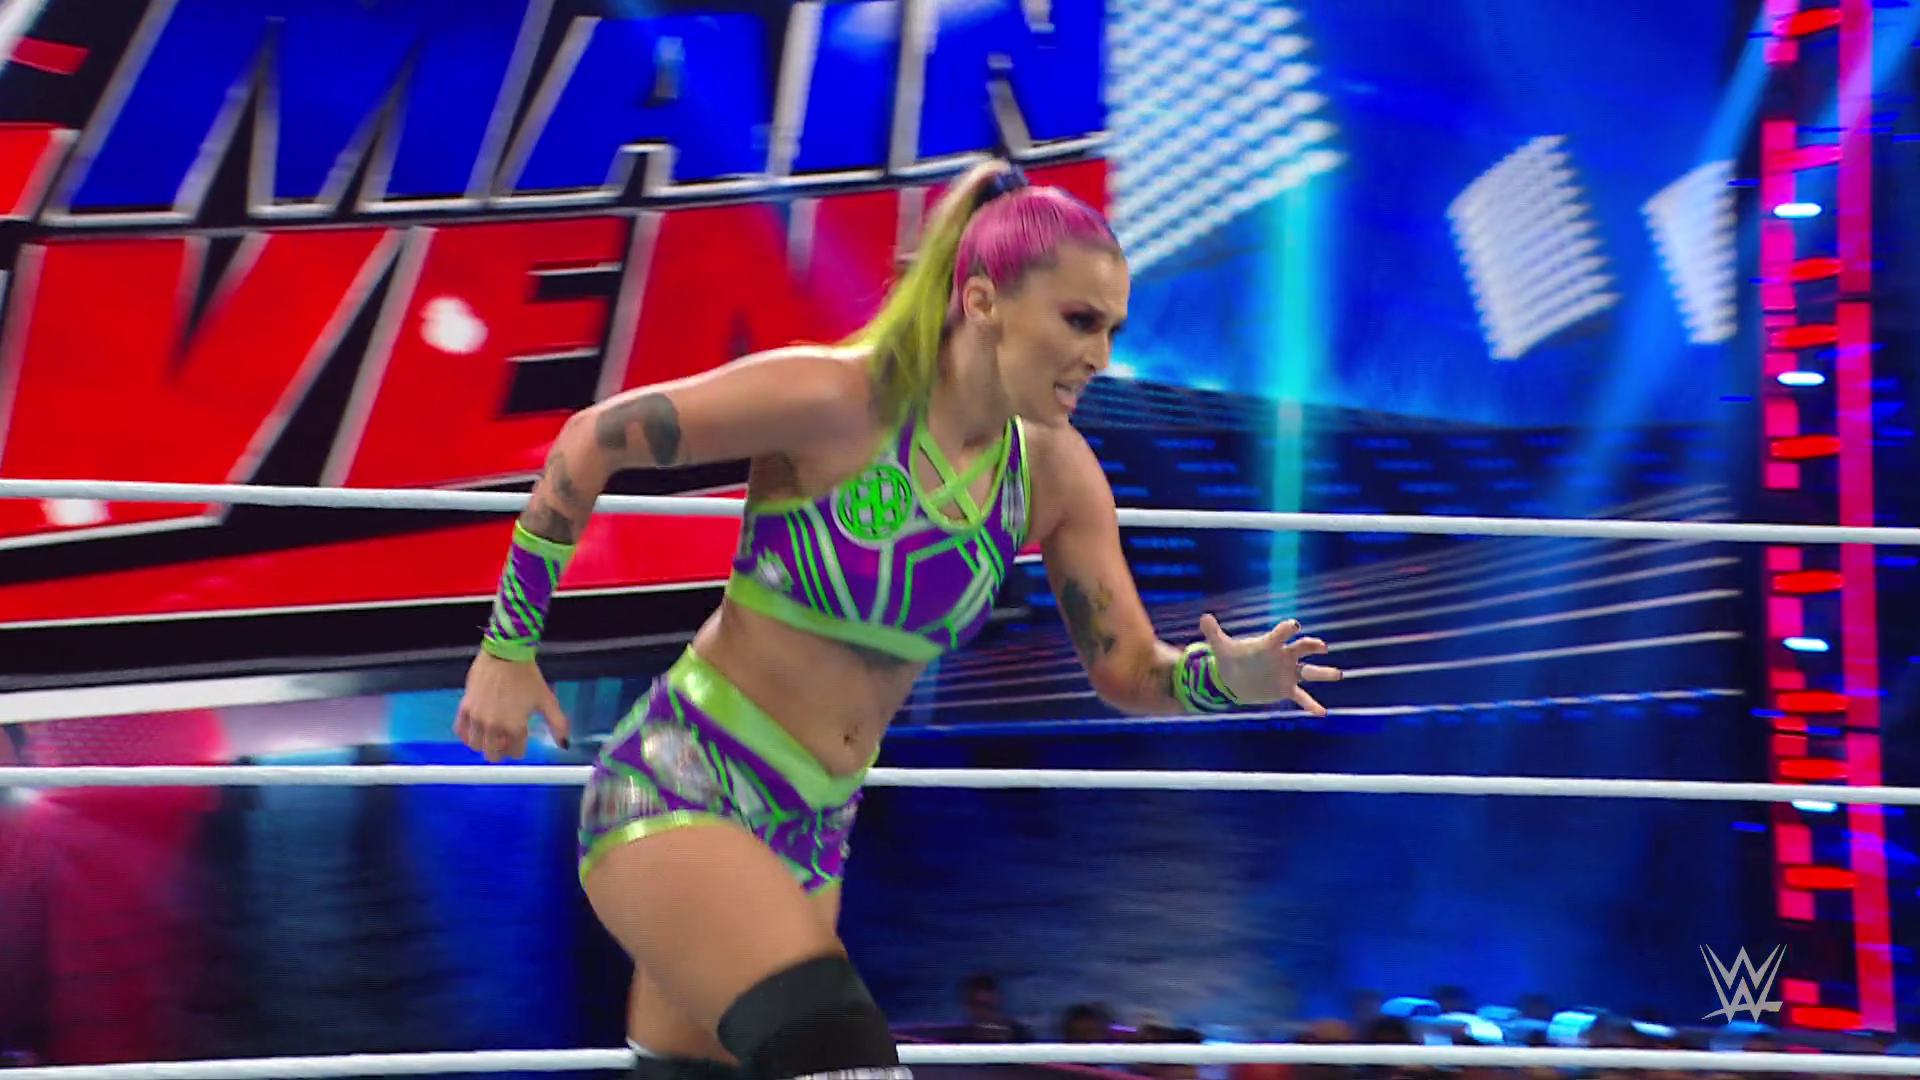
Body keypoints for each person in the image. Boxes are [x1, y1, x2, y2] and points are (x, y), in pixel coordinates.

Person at [453, 159, 1342, 1080]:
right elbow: (591, 439)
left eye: (1112, 329)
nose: (1101, 356)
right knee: (849, 1064)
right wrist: (506, 649)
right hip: (682, 787)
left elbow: (1125, 669)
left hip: (813, 836)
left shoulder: (1056, 475)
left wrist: (1225, 681)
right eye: (1080, 321)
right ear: (983, 300)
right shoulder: (835, 398)